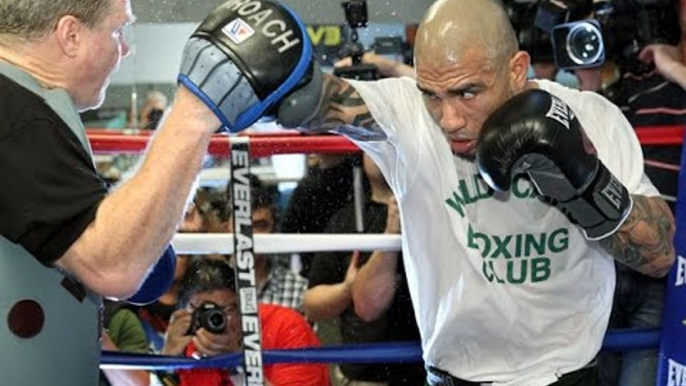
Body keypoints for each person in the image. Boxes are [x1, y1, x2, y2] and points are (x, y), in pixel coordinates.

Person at [190, 0, 675, 384]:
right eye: (431, 93)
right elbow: (319, 103)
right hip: (448, 376)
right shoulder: (407, 115)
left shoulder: (592, 118)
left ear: (516, 69)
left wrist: (584, 182)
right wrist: (281, 75)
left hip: (566, 375)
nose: (448, 119)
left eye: (467, 92)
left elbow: (656, 255)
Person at [0, 0, 312, 384]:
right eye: (117, 31)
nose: (125, 48)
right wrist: (196, 111)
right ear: (71, 35)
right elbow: (113, 266)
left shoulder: (26, 107)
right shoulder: (15, 115)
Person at [305, 154, 425, 386]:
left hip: (434, 366)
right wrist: (347, 289)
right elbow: (312, 305)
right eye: (375, 141)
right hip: (367, 375)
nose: (383, 150)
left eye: (391, 142)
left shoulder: (440, 213)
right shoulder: (345, 220)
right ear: (362, 151)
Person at [162, 258, 330, 386]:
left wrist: (238, 363)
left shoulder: (287, 326)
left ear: (244, 306)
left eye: (228, 309)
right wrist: (167, 363)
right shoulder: (190, 338)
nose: (217, 321)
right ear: (186, 312)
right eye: (205, 312)